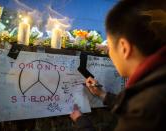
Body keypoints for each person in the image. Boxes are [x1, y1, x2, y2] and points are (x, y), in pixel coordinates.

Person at [70, 0, 166, 130]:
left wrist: (82, 122)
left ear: (124, 48)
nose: (109, 53)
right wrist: (102, 94)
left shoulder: (145, 111)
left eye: (109, 47)